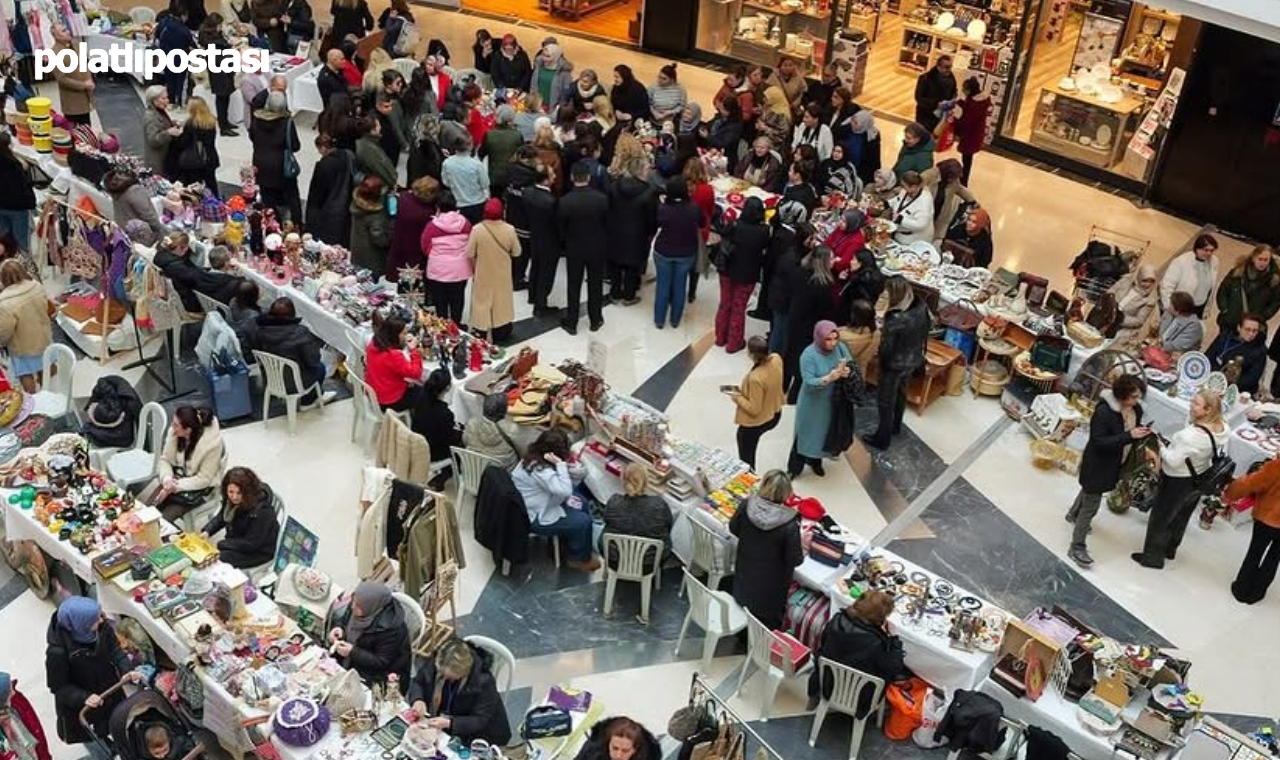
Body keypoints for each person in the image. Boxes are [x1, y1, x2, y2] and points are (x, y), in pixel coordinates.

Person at [1133, 388, 1228, 569]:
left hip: (1177, 480)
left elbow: (1172, 461)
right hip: (1200, 477)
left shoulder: (1189, 436)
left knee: (1161, 519)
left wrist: (1160, 446)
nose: (1191, 406)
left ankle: (1152, 558)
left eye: (1196, 404)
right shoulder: (1222, 428)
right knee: (1181, 516)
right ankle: (1170, 549)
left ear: (1208, 410)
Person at [1065, 374, 1148, 568]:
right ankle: (1077, 545)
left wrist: (1139, 434)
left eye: (1139, 396)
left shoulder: (1135, 409)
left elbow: (1130, 429)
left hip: (1115, 462)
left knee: (1090, 490)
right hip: (1098, 464)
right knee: (1092, 503)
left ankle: (1073, 514)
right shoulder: (1104, 412)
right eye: (1134, 396)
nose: (1137, 400)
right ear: (1122, 395)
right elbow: (1099, 441)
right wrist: (1129, 435)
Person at [45, 597, 144, 748]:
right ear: (81, 624)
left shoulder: (101, 628)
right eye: (95, 619)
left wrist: (126, 670)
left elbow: (115, 650)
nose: (101, 620)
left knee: (120, 721)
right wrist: (84, 697)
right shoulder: (57, 653)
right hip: (85, 705)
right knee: (97, 740)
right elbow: (58, 687)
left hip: (109, 689)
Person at [807, 590, 911, 712]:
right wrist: (894, 640)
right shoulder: (877, 643)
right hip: (858, 698)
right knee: (902, 674)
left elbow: (823, 643)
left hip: (823, 682)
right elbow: (893, 669)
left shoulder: (837, 620)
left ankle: (814, 699)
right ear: (879, 617)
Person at [511, 429, 600, 571]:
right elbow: (565, 490)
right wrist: (560, 464)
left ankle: (571, 543)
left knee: (581, 501)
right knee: (584, 521)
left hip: (533, 504)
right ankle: (578, 559)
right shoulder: (541, 470)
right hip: (535, 517)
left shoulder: (531, 458)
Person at [863, 277, 929, 451]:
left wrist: (880, 360)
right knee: (901, 393)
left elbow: (886, 347)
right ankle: (896, 425)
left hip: (894, 364)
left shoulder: (895, 318)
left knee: (885, 400)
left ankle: (882, 438)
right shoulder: (920, 305)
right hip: (913, 359)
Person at [730, 470, 802, 629]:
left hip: (744, 578)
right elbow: (795, 559)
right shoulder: (789, 523)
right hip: (770, 593)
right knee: (766, 622)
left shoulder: (747, 505)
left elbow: (733, 528)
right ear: (786, 493)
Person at [407, 639, 511, 746]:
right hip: (441, 723)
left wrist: (450, 723)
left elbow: (480, 719)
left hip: (475, 735)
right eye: (442, 673)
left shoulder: (484, 682)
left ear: (464, 672)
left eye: (451, 677)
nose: (444, 677)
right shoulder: (440, 660)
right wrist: (418, 700)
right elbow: (418, 682)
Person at [789, 320, 853, 477]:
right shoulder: (808, 355)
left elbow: (851, 364)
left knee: (823, 434)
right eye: (828, 339)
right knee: (804, 434)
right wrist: (829, 377)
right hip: (812, 403)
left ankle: (815, 461)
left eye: (834, 338)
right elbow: (809, 381)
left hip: (831, 402)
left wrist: (847, 372)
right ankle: (794, 468)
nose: (832, 343)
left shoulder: (840, 348)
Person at [557, 163, 610, 335]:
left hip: (574, 248)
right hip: (597, 246)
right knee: (595, 284)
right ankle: (596, 319)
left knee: (573, 284)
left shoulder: (565, 201)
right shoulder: (601, 199)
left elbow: (560, 228)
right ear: (589, 177)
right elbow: (607, 224)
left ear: (572, 177)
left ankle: (572, 321)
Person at [329, 581, 411, 689]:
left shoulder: (392, 629)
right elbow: (344, 620)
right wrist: (339, 629)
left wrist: (353, 652)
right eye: (353, 602)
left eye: (357, 606)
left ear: (372, 607)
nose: (352, 607)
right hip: (349, 660)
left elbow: (382, 661)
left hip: (373, 675)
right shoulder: (360, 602)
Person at [784, 246, 840, 400]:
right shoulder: (824, 285)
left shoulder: (800, 273)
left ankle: (782, 385)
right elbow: (827, 311)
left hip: (794, 319)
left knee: (790, 352)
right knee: (804, 360)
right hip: (810, 327)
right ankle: (794, 395)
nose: (835, 261)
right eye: (832, 258)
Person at [253, 297, 330, 406]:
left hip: (271, 378)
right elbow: (313, 361)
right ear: (292, 314)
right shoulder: (300, 333)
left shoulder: (260, 331)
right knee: (321, 367)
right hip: (295, 382)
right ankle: (308, 401)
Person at [715, 198, 769, 353]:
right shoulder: (764, 231)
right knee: (738, 308)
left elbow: (722, 232)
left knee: (725, 304)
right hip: (747, 274)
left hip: (727, 271)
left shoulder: (736, 225)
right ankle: (734, 343)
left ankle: (720, 338)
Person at [152, 406, 224, 522]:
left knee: (162, 521)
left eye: (176, 425)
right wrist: (167, 480)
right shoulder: (175, 433)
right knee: (147, 510)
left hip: (198, 487)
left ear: (188, 430)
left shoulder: (211, 445)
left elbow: (204, 479)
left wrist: (175, 487)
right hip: (176, 478)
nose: (172, 427)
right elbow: (165, 459)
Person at [1224, 456, 1280, 604]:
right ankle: (1258, 593)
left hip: (1267, 516)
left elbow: (1252, 482)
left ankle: (1242, 590)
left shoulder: (1276, 465)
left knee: (1255, 552)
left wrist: (1231, 492)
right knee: (1274, 558)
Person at [202, 467, 280, 569]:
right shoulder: (232, 499)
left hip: (258, 550)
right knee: (210, 557)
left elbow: (251, 543)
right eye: (231, 492)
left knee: (214, 560)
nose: (234, 497)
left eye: (239, 493)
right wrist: (207, 531)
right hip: (239, 539)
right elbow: (222, 516)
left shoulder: (262, 511)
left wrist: (223, 544)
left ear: (248, 491)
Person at [602, 464, 674, 574]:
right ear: (646, 482)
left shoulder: (613, 502)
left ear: (623, 481)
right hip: (650, 564)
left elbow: (606, 520)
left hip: (615, 561)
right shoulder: (659, 505)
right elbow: (669, 526)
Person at [606, 154, 658, 305]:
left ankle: (615, 294)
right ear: (640, 171)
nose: (649, 171)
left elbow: (607, 209)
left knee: (615, 264)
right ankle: (629, 296)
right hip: (637, 235)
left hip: (614, 231)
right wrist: (650, 232)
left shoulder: (614, 186)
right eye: (648, 168)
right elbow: (651, 218)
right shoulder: (648, 192)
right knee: (632, 266)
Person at [652, 177, 704, 330]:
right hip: (686, 252)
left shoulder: (663, 209)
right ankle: (675, 320)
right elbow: (702, 223)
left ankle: (659, 320)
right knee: (680, 286)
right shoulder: (694, 208)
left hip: (664, 251)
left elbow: (656, 224)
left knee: (662, 285)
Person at [468, 198, 520, 343]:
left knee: (481, 302)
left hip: (483, 272)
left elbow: (470, 253)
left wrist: (475, 269)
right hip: (502, 274)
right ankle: (502, 331)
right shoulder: (509, 229)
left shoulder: (477, 229)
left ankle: (481, 330)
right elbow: (517, 252)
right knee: (502, 302)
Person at [729, 336, 785, 471]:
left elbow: (754, 409)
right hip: (775, 413)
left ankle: (749, 482)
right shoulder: (776, 360)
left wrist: (736, 396)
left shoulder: (756, 378)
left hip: (755, 423)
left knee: (746, 459)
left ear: (751, 354)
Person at [422, 193, 475, 325]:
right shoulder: (465, 223)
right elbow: (471, 243)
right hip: (460, 269)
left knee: (441, 300)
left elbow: (425, 246)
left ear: (438, 207)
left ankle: (443, 325)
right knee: (458, 298)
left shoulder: (432, 226)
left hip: (438, 269)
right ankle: (456, 324)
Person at [250, 92, 302, 224]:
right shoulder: (287, 123)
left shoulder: (256, 120)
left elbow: (252, 137)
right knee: (292, 196)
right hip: (282, 165)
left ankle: (274, 224)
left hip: (261, 163)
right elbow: (295, 146)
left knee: (268, 198)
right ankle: (297, 224)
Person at [0, 260, 51, 393]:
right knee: (43, 367)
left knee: (25, 373)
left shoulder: (5, 302)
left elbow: (5, 330)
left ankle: (32, 399)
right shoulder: (37, 286)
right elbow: (46, 308)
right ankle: (46, 392)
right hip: (43, 337)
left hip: (22, 345)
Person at [411, 369, 463, 482]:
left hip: (417, 439)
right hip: (431, 451)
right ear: (448, 388)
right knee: (461, 442)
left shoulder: (419, 395)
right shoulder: (445, 414)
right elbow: (449, 439)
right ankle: (451, 473)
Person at [1215, 245, 1280, 333]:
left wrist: (1263, 317)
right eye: (1260, 259)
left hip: (1251, 328)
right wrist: (1224, 309)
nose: (1263, 263)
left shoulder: (1274, 280)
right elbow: (1223, 290)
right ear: (1253, 258)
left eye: (1266, 260)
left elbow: (1276, 302)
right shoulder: (1238, 272)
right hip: (1229, 321)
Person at [365, 314, 423, 411]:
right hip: (389, 400)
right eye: (403, 334)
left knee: (412, 384)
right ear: (394, 335)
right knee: (424, 392)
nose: (405, 336)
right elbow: (416, 373)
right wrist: (414, 351)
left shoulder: (374, 343)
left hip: (375, 392)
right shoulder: (393, 355)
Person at [525, 167, 561, 318]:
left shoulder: (527, 192)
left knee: (536, 266)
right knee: (546, 272)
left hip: (535, 236)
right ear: (545, 179)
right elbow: (557, 224)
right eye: (552, 175)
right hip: (550, 240)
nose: (555, 177)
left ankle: (532, 296)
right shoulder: (551, 201)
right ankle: (541, 305)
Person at [306, 135, 355, 246]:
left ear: (323, 148)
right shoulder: (348, 155)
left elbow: (316, 194)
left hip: (329, 208)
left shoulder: (323, 165)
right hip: (346, 202)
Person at [1205, 313, 1268, 394]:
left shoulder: (1260, 350)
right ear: (1239, 328)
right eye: (1247, 329)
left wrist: (1224, 384)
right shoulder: (1224, 337)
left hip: (1236, 389)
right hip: (1212, 379)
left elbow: (1251, 379)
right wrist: (1212, 376)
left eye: (1255, 331)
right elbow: (1208, 356)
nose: (1251, 334)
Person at [196, 14, 237, 135]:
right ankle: (223, 126)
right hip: (218, 68)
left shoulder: (216, 35)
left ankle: (225, 121)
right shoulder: (207, 37)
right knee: (221, 96)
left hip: (225, 66)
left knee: (227, 94)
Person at [1160, 232, 1219, 316]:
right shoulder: (1181, 261)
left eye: (1212, 250)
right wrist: (1169, 307)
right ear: (1197, 248)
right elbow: (1167, 286)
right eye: (1205, 250)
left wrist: (1206, 310)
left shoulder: (1214, 261)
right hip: (1179, 307)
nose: (1209, 253)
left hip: (1198, 307)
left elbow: (1210, 289)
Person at [173, 96, 220, 194]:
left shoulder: (191, 124)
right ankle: (216, 203)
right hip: (210, 158)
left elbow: (183, 143)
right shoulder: (210, 121)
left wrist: (177, 134)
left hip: (195, 161)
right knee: (211, 183)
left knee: (194, 186)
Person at [1107, 264, 1160, 351]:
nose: (1147, 284)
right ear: (1139, 277)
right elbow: (1111, 291)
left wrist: (1119, 319)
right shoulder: (1127, 280)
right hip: (1106, 314)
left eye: (1151, 281)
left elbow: (1139, 320)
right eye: (1144, 281)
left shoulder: (1150, 300)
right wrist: (1109, 306)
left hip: (1122, 327)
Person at [464, 393, 520, 470]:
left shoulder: (471, 423)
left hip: (476, 468)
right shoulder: (510, 428)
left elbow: (465, 441)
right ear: (504, 410)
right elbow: (522, 449)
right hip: (503, 471)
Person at [51, 25, 94, 125]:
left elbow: (84, 62)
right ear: (56, 36)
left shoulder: (75, 44)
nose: (68, 32)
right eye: (63, 31)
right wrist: (84, 85)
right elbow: (62, 79)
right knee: (75, 130)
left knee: (87, 126)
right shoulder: (55, 53)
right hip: (71, 99)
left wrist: (89, 79)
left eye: (67, 29)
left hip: (85, 95)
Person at [349, 176, 391, 274]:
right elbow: (380, 240)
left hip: (357, 253)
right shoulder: (375, 216)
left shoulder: (356, 204)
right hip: (372, 260)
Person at [952, 77, 991, 184]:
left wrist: (953, 121)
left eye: (964, 89)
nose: (963, 91)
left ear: (969, 90)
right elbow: (970, 109)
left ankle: (964, 180)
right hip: (976, 132)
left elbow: (966, 121)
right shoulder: (982, 101)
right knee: (968, 158)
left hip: (970, 135)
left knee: (967, 158)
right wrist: (960, 103)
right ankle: (963, 178)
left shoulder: (974, 104)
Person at [0, 134, 35, 250]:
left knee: (5, 239)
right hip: (18, 207)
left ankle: (6, 263)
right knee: (22, 241)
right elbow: (23, 186)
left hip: (2, 207)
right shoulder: (13, 164)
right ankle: (23, 265)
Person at [103, 169, 163, 237]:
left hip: (128, 234)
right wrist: (160, 230)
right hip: (144, 235)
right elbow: (147, 214)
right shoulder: (134, 190)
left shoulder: (116, 193)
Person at [928, 158, 976, 239]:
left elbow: (960, 189)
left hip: (941, 213)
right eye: (952, 177)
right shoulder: (931, 175)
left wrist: (973, 201)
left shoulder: (954, 180)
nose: (953, 180)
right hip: (927, 210)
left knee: (936, 235)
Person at [573, 717, 661, 760]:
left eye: (625, 751)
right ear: (608, 743)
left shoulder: (648, 756)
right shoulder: (592, 751)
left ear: (635, 749)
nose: (618, 756)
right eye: (615, 748)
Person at [838, 248, 885, 324]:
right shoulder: (878, 275)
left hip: (851, 316)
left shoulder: (858, 282)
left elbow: (844, 297)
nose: (850, 261)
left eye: (853, 259)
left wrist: (842, 282)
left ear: (860, 264)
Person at [142, 85, 182, 177]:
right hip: (158, 162)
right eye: (163, 98)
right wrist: (169, 132)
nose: (167, 101)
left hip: (165, 158)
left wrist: (174, 123)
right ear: (154, 100)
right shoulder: (151, 117)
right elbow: (153, 140)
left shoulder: (159, 111)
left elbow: (162, 124)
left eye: (167, 98)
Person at [890, 171, 935, 246]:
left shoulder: (924, 202)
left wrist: (901, 220)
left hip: (913, 240)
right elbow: (898, 200)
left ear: (913, 187)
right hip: (899, 234)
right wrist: (887, 203)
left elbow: (921, 224)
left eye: (904, 186)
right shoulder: (906, 191)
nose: (902, 188)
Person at [914, 55, 957, 132]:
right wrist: (936, 103)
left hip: (942, 116)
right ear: (938, 67)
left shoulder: (951, 78)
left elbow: (953, 91)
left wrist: (953, 99)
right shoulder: (925, 78)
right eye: (946, 67)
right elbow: (919, 98)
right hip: (925, 116)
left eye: (950, 67)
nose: (949, 70)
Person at [702, 96, 745, 169]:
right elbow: (709, 125)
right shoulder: (719, 117)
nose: (720, 110)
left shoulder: (735, 126)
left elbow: (724, 143)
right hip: (711, 152)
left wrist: (708, 136)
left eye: (723, 109)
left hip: (724, 158)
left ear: (730, 111)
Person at [839, 299, 880, 377]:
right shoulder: (876, 334)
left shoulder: (842, 335)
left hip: (842, 373)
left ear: (854, 315)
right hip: (860, 373)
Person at [356, 117, 398, 191]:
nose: (380, 127)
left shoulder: (368, 142)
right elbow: (381, 170)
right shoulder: (369, 149)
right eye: (378, 125)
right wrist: (393, 182)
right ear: (372, 130)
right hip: (377, 188)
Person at [1157, 291, 1204, 356]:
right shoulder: (1169, 313)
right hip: (1160, 348)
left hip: (1177, 356)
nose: (1168, 306)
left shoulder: (1193, 326)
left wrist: (1159, 344)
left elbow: (1178, 346)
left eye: (1171, 304)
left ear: (1178, 309)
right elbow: (1160, 331)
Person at [531, 43, 573, 109]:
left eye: (548, 56)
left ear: (556, 56)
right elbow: (533, 84)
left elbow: (566, 91)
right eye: (543, 55)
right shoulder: (539, 65)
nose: (544, 59)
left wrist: (559, 107)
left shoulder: (564, 72)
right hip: (537, 104)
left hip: (553, 106)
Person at [846, 110, 882, 187]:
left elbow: (874, 163)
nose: (852, 124)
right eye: (852, 121)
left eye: (856, 123)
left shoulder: (872, 139)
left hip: (861, 173)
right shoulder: (847, 129)